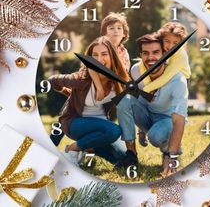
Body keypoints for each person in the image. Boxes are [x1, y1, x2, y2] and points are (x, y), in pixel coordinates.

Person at [48, 36, 129, 166]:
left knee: (123, 158)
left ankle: (87, 147)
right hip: (75, 123)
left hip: (100, 126)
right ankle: (72, 148)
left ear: (112, 56)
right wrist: (67, 93)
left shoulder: (117, 82)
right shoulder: (81, 79)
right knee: (114, 131)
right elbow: (53, 80)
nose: (99, 59)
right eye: (95, 55)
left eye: (104, 54)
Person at [116, 33, 189, 177]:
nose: (151, 58)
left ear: (165, 53)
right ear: (141, 54)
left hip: (167, 120)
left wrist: (172, 156)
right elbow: (140, 96)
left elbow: (179, 119)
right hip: (148, 116)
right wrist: (141, 130)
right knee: (124, 99)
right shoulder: (136, 70)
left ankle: (168, 149)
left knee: (156, 136)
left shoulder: (178, 80)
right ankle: (131, 154)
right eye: (146, 53)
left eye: (156, 52)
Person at [138, 22, 191, 147]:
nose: (170, 46)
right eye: (167, 41)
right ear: (161, 39)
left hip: (179, 78)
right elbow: (142, 65)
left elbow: (168, 76)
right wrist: (148, 85)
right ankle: (142, 129)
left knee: (174, 109)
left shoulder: (180, 55)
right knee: (149, 102)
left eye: (175, 43)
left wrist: (147, 88)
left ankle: (173, 135)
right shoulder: (159, 46)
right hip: (163, 75)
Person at [88, 12, 130, 101]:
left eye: (119, 28)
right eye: (111, 28)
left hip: (115, 91)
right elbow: (89, 66)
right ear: (104, 33)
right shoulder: (99, 47)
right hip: (94, 88)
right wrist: (99, 88)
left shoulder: (124, 53)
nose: (116, 30)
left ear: (124, 34)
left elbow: (124, 74)